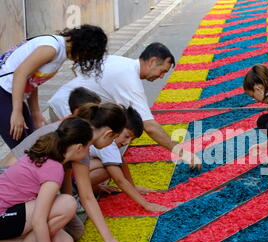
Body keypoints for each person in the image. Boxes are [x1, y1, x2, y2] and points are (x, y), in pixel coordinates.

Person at [48, 42, 201, 170]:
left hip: (60, 103)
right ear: (153, 61)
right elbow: (149, 126)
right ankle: (76, 189)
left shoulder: (120, 62)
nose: (161, 77)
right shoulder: (131, 81)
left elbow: (78, 68)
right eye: (162, 71)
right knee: (100, 161)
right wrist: (183, 154)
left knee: (98, 154)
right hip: (69, 110)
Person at [0, 117, 92, 242]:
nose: (88, 152)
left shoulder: (48, 154)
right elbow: (38, 219)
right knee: (67, 203)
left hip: (12, 215)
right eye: (88, 147)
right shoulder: (54, 168)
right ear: (78, 147)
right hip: (4, 215)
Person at [0, 25, 108, 149]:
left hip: (11, 93)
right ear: (82, 47)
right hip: (3, 92)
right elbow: (20, 74)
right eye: (87, 56)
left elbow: (33, 81)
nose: (81, 61)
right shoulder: (51, 48)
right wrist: (17, 112)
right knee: (21, 149)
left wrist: (35, 113)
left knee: (32, 143)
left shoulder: (60, 52)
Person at [89, 107, 168, 212]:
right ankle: (78, 191)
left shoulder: (105, 132)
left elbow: (121, 161)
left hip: (77, 169)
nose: (127, 142)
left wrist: (132, 186)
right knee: (109, 169)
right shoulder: (109, 145)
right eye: (126, 136)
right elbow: (119, 180)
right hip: (73, 177)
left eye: (131, 140)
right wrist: (146, 204)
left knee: (113, 163)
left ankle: (87, 187)